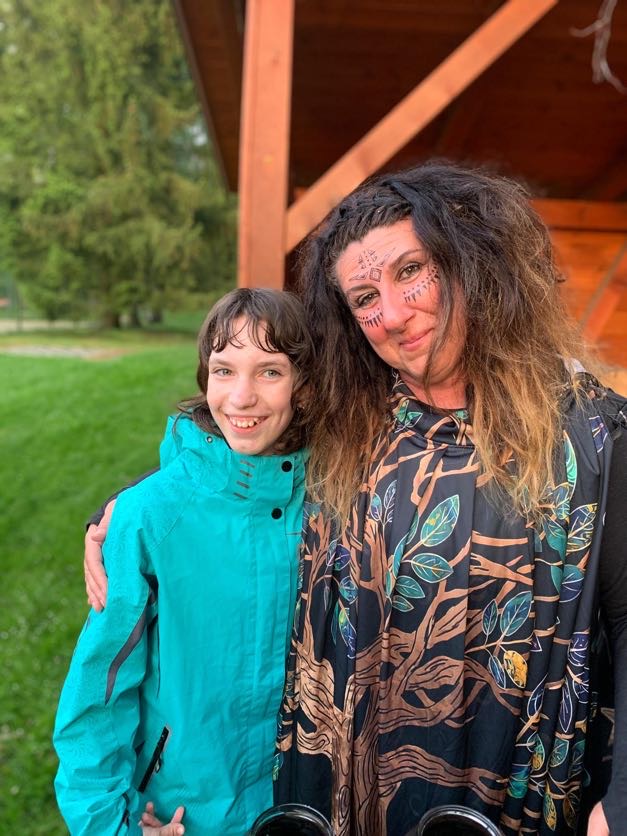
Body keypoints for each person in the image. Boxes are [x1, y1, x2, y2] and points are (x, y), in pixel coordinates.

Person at [85, 163, 627, 836]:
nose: (392, 314)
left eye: (411, 271)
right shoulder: (348, 423)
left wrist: (621, 801)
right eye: (365, 297)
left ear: (470, 263)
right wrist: (123, 510)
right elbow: (235, 459)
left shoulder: (590, 438)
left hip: (511, 785)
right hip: (347, 788)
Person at [54, 288, 313, 836]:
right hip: (183, 810)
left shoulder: (333, 500)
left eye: (269, 371)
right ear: (204, 377)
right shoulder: (149, 516)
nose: (241, 396)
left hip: (302, 803)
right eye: (224, 370)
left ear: (303, 383)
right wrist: (110, 826)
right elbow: (99, 692)